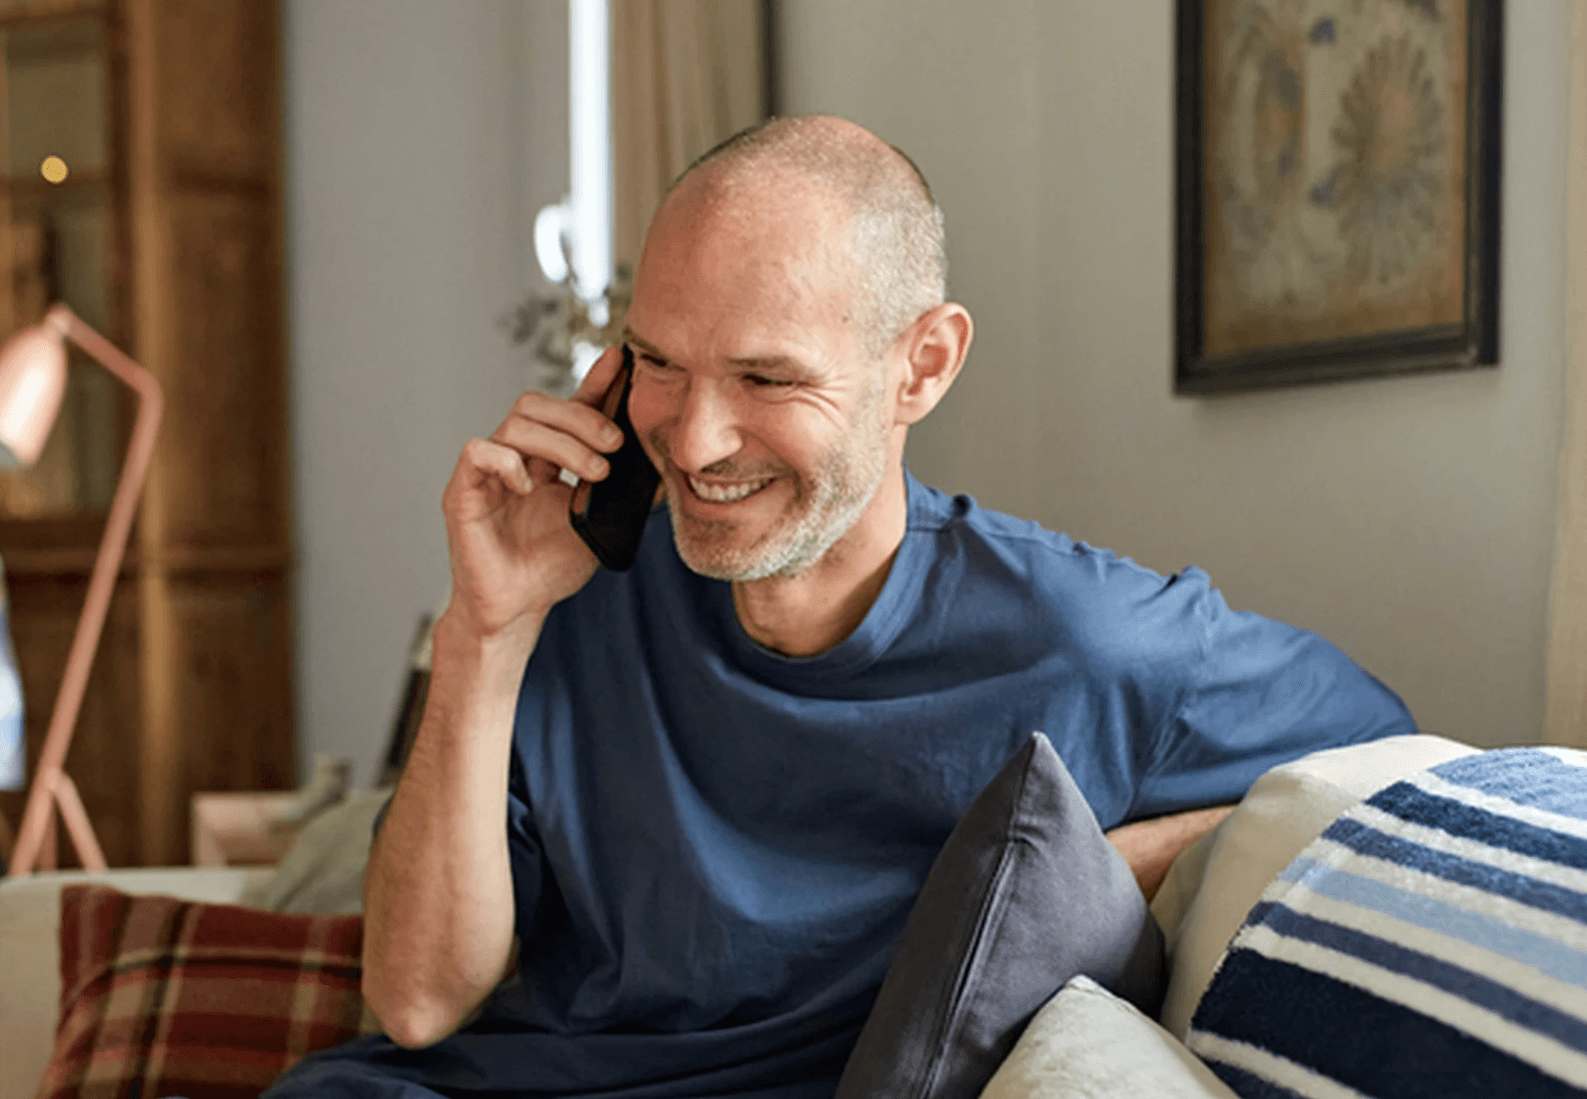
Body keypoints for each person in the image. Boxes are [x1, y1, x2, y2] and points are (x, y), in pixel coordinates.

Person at [266, 115, 1414, 1099]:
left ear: (921, 366)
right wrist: (487, 625)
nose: (696, 438)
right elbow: (414, 1001)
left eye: (766, 378)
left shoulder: (1091, 644)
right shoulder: (571, 581)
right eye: (658, 360)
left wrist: (1125, 859)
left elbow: (1402, 769)